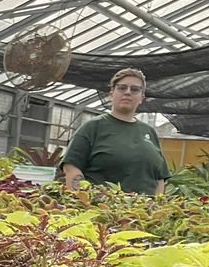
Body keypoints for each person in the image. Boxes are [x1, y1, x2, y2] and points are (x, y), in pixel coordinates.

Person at [61, 67, 169, 196]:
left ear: (141, 97)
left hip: (146, 208)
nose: (128, 92)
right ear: (111, 94)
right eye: (122, 88)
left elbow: (160, 177)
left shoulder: (149, 132)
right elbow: (71, 167)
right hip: (103, 206)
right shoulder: (93, 127)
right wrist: (85, 198)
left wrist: (157, 204)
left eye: (135, 89)